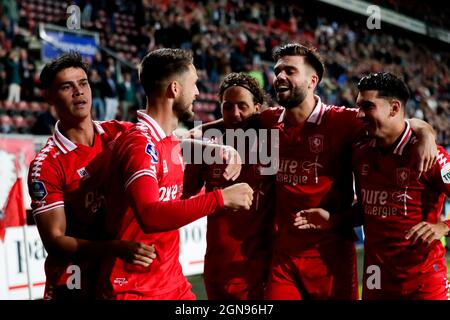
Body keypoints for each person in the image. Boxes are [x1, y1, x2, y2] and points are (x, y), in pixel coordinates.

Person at [203, 43, 437, 299]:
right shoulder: (270, 121)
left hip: (332, 257)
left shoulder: (343, 121)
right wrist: (192, 133)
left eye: (290, 71)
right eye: (278, 70)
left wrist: (425, 132)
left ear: (312, 80)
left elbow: (395, 121)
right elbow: (234, 121)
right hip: (285, 258)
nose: (280, 76)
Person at [97, 48, 254, 300]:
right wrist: (221, 198)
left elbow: (183, 146)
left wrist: (219, 148)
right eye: (193, 84)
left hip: (172, 283)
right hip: (136, 289)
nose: (198, 93)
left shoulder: (168, 141)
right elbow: (150, 215)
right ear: (174, 89)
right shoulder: (139, 144)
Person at [295, 72, 450, 300]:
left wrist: (443, 226)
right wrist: (334, 220)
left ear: (394, 108)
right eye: (358, 106)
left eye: (368, 106)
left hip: (424, 281)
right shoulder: (360, 152)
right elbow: (368, 209)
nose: (359, 114)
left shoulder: (431, 155)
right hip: (376, 278)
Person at [27, 52, 156, 300]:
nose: (78, 91)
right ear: (49, 96)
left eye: (83, 83)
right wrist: (116, 248)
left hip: (115, 275)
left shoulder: (119, 132)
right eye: (67, 86)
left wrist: (211, 146)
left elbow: (166, 141)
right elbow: (55, 241)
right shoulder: (46, 165)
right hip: (73, 282)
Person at [183, 72, 275, 300]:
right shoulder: (207, 147)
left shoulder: (272, 140)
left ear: (257, 107)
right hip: (218, 266)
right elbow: (186, 192)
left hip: (261, 266)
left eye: (242, 106)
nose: (235, 114)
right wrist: (201, 143)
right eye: (228, 106)